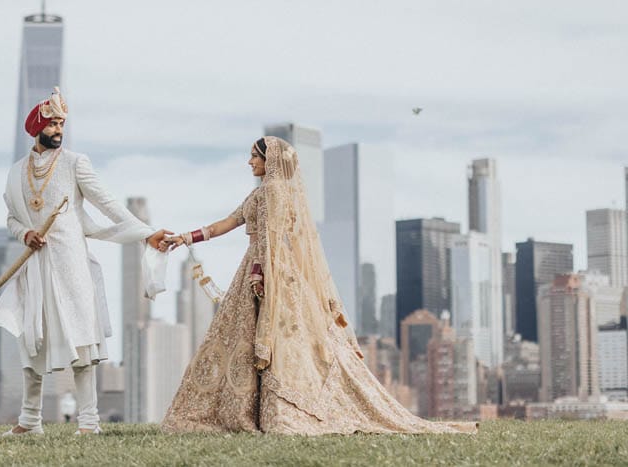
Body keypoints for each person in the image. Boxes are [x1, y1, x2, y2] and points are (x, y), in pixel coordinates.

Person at [159, 136, 477, 435]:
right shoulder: (260, 193)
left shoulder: (274, 192)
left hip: (270, 273)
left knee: (281, 343)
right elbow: (225, 224)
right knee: (260, 339)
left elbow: (271, 239)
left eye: (254, 156)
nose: (249, 161)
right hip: (264, 270)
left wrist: (259, 273)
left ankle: (282, 412)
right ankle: (255, 412)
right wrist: (185, 238)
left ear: (269, 159)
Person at [0, 87, 170, 437]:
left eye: (62, 125)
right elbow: (11, 218)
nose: (59, 130)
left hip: (71, 268)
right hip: (34, 268)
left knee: (83, 344)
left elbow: (107, 202)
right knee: (31, 342)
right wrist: (25, 234)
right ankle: (30, 422)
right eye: (53, 124)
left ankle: (89, 423)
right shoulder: (15, 173)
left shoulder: (74, 163)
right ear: (37, 127)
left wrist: (145, 232)